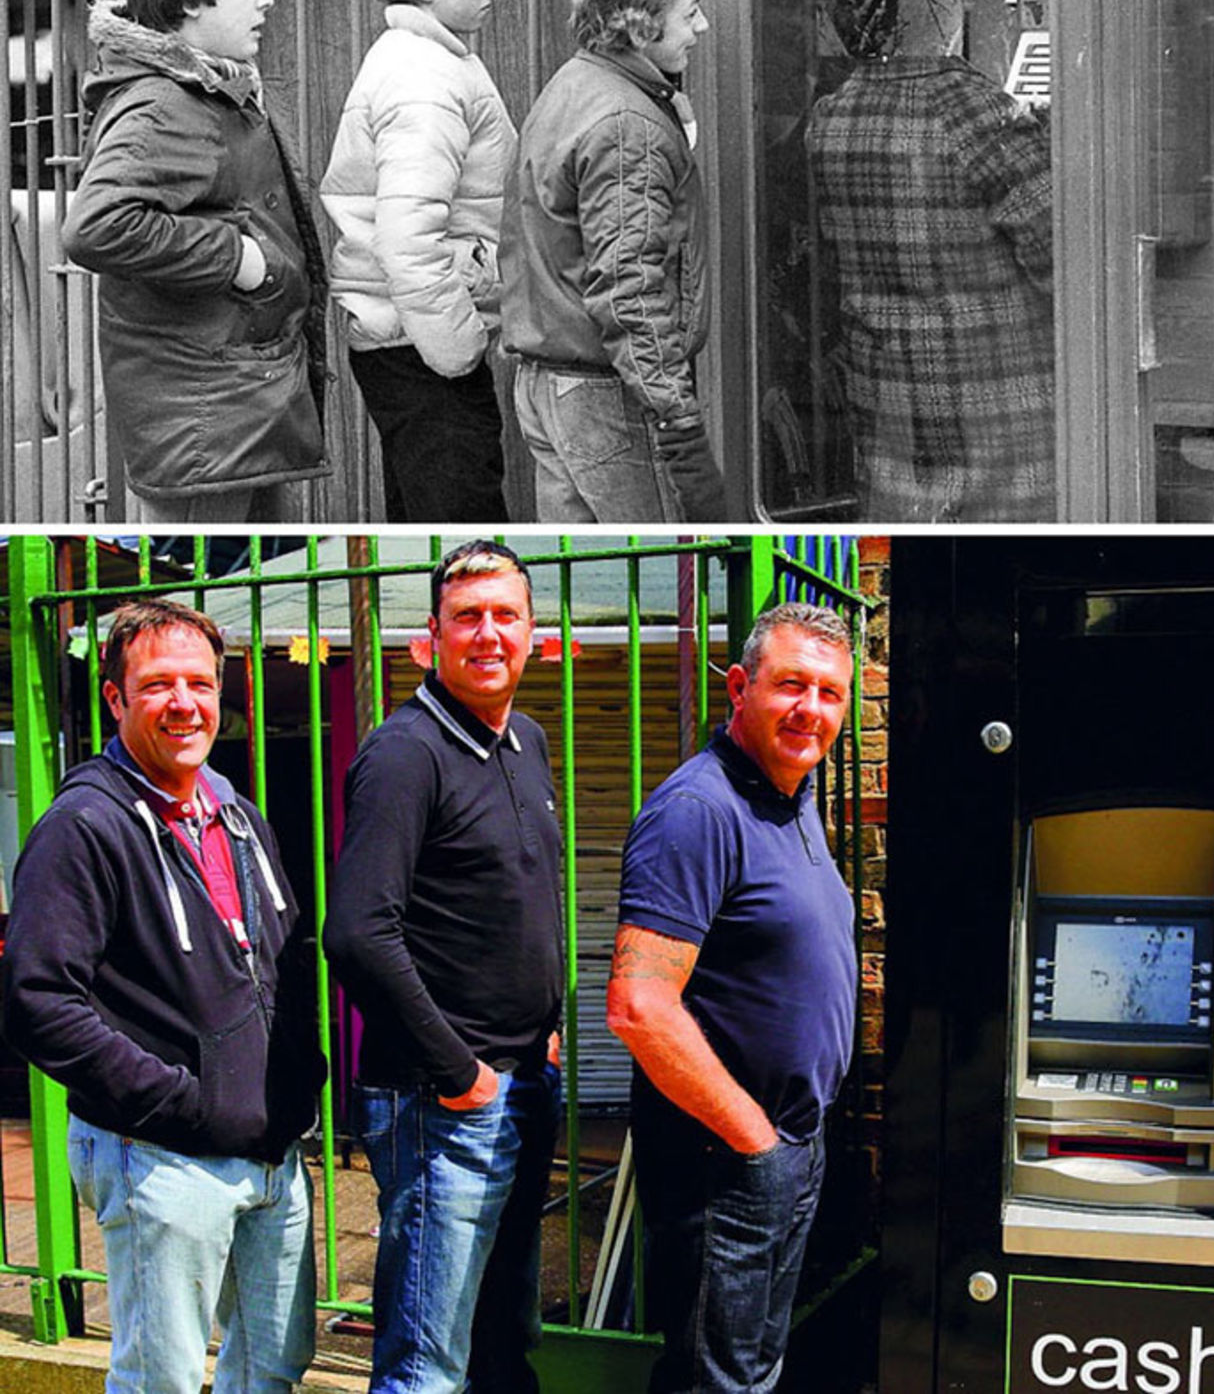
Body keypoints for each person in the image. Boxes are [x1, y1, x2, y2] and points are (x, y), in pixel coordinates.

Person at [1, 599, 324, 1394]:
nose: (185, 703)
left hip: (272, 1152)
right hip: (163, 1154)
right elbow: (39, 1000)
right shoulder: (84, 826)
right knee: (162, 1380)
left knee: (274, 1366)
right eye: (157, 685)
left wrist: (296, 1084)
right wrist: (180, 1101)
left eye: (200, 683)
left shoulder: (237, 815)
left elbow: (284, 961)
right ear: (115, 698)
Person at [323, 540, 563, 1394]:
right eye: (468, 618)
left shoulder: (523, 740)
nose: (489, 634)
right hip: (445, 1105)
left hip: (524, 1080)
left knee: (502, 1336)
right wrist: (459, 1069)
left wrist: (547, 1029)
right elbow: (356, 932)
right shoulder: (405, 753)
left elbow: (514, 897)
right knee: (426, 1366)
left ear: (537, 634)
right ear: (431, 638)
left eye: (507, 616)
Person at [607, 601, 857, 1394]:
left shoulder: (793, 800)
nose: (809, 710)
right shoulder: (698, 810)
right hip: (726, 1160)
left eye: (829, 694)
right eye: (791, 686)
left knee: (747, 1372)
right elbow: (639, 1005)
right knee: (714, 1381)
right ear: (740, 687)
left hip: (786, 1149)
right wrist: (752, 1137)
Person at [61, 0, 330, 523]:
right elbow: (97, 225)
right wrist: (238, 258)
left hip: (232, 406)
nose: (267, 0)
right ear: (191, 2)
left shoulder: (207, 88)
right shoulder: (165, 104)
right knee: (188, 583)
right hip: (206, 417)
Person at [805, 0, 1054, 522]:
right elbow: (1059, 254)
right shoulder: (974, 111)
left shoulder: (829, 117)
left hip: (888, 396)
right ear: (930, 2)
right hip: (992, 402)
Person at [500, 0, 727, 523]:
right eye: (690, 12)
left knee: (581, 567)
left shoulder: (575, 84)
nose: (701, 26)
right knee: (673, 572)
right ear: (640, 21)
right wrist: (679, 420)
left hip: (554, 384)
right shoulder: (628, 125)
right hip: (608, 396)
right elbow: (629, 288)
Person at [320, 0, 515, 521]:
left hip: (408, 339)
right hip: (424, 350)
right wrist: (458, 349)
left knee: (429, 524)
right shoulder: (424, 79)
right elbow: (407, 238)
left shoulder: (427, 59)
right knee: (462, 529)